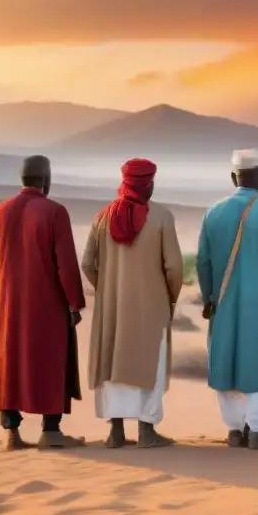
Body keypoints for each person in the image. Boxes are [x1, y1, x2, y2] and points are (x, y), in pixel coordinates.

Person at [0, 155, 86, 451]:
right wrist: (74, 303)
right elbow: (66, 264)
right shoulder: (55, 212)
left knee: (9, 361)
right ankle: (50, 431)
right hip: (49, 304)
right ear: (46, 178)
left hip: (9, 305)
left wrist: (9, 290)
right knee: (51, 359)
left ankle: (12, 433)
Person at [82, 158, 184, 449]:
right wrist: (170, 297)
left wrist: (107, 290)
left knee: (113, 364)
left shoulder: (102, 217)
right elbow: (174, 267)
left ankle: (115, 432)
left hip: (111, 306)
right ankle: (146, 431)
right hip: (152, 305)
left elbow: (87, 263)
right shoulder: (162, 217)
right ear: (147, 183)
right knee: (150, 362)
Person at [197, 149, 258, 450]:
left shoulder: (212, 213)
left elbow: (203, 261)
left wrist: (209, 296)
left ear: (232, 177)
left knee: (227, 360)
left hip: (223, 301)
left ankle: (235, 430)